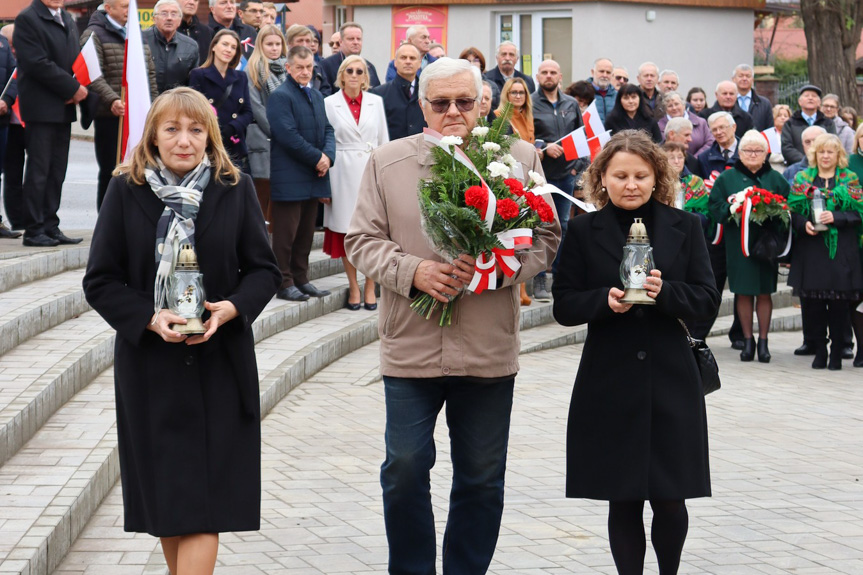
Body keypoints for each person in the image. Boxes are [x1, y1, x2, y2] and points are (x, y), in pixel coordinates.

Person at [344, 57, 561, 575]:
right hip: (411, 345)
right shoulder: (387, 162)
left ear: (483, 103)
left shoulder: (519, 156)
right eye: (440, 104)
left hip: (487, 345)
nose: (454, 113)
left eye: (465, 102)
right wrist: (412, 272)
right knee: (404, 469)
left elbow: (547, 237)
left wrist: (497, 267)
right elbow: (360, 240)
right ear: (422, 107)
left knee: (482, 477)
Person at [82, 87, 280, 575]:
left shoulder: (233, 187)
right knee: (171, 509)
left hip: (221, 365)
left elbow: (265, 271)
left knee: (204, 509)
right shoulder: (125, 189)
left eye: (195, 129)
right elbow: (100, 280)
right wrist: (150, 318)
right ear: (153, 135)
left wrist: (230, 309)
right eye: (172, 129)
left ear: (209, 135)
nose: (184, 140)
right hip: (152, 370)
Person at [552, 129, 719, 575]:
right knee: (621, 497)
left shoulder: (687, 226)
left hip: (671, 379)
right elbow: (564, 303)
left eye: (641, 176)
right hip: (610, 380)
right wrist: (601, 303)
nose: (631, 184)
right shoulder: (583, 228)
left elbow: (706, 299)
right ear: (601, 178)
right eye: (620, 175)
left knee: (670, 497)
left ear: (656, 177)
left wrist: (667, 293)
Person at [709, 130, 790, 362]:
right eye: (747, 150)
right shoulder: (727, 178)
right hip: (739, 245)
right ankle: (747, 340)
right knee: (743, 292)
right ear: (740, 153)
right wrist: (733, 209)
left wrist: (773, 213)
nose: (753, 154)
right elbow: (714, 207)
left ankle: (764, 341)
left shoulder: (775, 179)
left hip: (767, 245)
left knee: (765, 292)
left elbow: (787, 206)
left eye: (758, 151)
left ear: (766, 154)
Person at [15, 0, 88, 247]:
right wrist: (72, 87)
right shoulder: (27, 18)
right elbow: (35, 63)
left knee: (57, 171)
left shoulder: (66, 18)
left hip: (64, 106)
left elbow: (73, 58)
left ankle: (50, 225)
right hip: (41, 106)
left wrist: (80, 85)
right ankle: (34, 230)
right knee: (39, 171)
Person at [788, 133, 863, 369]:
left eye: (831, 151)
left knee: (840, 306)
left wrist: (837, 217)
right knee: (813, 305)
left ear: (839, 154)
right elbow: (793, 211)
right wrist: (804, 224)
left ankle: (837, 353)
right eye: (821, 151)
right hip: (812, 250)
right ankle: (819, 350)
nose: (826, 156)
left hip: (842, 251)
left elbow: (859, 213)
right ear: (814, 154)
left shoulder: (849, 179)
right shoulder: (802, 178)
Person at [268, 45, 335, 302]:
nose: (305, 72)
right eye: (300, 67)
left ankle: (301, 278)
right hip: (290, 175)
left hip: (313, 175)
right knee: (286, 234)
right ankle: (283, 281)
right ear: (288, 68)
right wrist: (317, 157)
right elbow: (287, 136)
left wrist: (328, 157)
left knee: (306, 233)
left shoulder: (316, 96)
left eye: (309, 67)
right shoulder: (280, 96)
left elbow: (328, 129)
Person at [324, 55, 388, 311]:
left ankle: (371, 286)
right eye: (349, 70)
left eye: (359, 71)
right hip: (340, 171)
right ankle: (353, 286)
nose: (354, 75)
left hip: (369, 168)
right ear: (341, 75)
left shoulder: (376, 102)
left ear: (365, 77)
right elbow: (326, 140)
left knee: (371, 230)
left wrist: (384, 176)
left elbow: (383, 140)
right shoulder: (329, 103)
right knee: (346, 232)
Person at [81, 0, 158, 211]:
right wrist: (113, 99)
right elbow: (92, 75)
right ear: (109, 8)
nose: (128, 10)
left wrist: (154, 107)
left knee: (138, 168)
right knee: (111, 170)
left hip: (138, 116)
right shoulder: (94, 34)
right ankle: (107, 219)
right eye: (124, 6)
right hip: (110, 116)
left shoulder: (135, 33)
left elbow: (148, 73)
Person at [532, 58, 583, 301]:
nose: (549, 76)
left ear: (560, 76)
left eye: (553, 72)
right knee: (540, 225)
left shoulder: (571, 104)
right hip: (540, 176)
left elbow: (582, 138)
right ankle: (540, 275)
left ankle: (559, 276)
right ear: (538, 76)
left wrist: (577, 169)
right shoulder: (530, 103)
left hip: (566, 176)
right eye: (544, 72)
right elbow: (522, 136)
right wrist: (543, 146)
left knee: (561, 225)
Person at [189, 29, 252, 171]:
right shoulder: (198, 75)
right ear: (214, 47)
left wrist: (233, 127)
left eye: (233, 47)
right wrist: (216, 131)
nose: (228, 50)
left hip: (234, 145)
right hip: (209, 145)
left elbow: (248, 112)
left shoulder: (241, 77)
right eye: (225, 44)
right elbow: (193, 110)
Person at [498, 77, 535, 306]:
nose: (518, 96)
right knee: (514, 231)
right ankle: (515, 287)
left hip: (528, 174)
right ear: (507, 95)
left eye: (522, 93)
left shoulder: (528, 117)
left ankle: (523, 288)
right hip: (510, 176)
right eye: (514, 93)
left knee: (525, 230)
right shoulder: (501, 117)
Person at [245, 23, 286, 226]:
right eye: (269, 43)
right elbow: (256, 107)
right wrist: (279, 130)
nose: (274, 48)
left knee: (278, 200)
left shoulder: (287, 69)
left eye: (278, 43)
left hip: (285, 140)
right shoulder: (253, 69)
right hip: (263, 138)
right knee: (262, 194)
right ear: (260, 45)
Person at [370, 43, 426, 140]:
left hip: (422, 149)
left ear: (419, 63)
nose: (408, 62)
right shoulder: (379, 93)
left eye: (412, 58)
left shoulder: (427, 92)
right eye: (403, 58)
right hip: (391, 150)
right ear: (395, 62)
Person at [143, 0, 200, 94]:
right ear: (154, 18)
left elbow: (193, 84)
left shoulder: (190, 46)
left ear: (179, 20)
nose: (169, 18)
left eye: (174, 14)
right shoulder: (141, 40)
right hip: (147, 102)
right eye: (164, 14)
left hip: (177, 104)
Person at [0, 24, 24, 234]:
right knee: (11, 174)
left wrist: (6, 100)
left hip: (6, 120)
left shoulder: (4, 49)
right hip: (10, 123)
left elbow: (13, 78)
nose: (14, 49)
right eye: (12, 45)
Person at [781, 84, 836, 165]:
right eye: (806, 96)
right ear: (800, 102)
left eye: (814, 96)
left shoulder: (828, 123)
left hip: (823, 167)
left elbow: (833, 144)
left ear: (819, 102)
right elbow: (786, 148)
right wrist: (805, 161)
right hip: (797, 167)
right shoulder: (790, 123)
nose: (810, 98)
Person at [320, 22, 381, 91]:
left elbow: (376, 93)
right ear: (341, 42)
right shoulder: (326, 66)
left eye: (358, 39)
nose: (356, 42)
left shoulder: (369, 67)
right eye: (351, 39)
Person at [657, 91, 713, 156]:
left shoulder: (701, 122)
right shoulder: (659, 126)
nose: (674, 108)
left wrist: (695, 159)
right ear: (666, 109)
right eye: (670, 106)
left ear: (684, 105)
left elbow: (710, 142)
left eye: (677, 104)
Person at [285, 24, 331, 96]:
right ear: (289, 43)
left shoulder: (317, 68)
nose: (304, 45)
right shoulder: (281, 67)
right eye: (300, 40)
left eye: (307, 41)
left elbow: (326, 91)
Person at [697, 111, 739, 180]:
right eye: (714, 130)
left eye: (722, 127)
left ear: (733, 127)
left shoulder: (748, 152)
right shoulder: (703, 158)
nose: (718, 132)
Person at [732, 64, 773, 131]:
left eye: (748, 76)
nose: (744, 79)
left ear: (753, 80)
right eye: (741, 76)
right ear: (733, 79)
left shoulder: (764, 104)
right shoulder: (728, 102)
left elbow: (769, 130)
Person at [588, 57, 616, 123]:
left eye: (608, 72)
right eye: (601, 71)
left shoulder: (618, 96)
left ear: (612, 75)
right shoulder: (582, 93)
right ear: (592, 72)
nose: (605, 75)